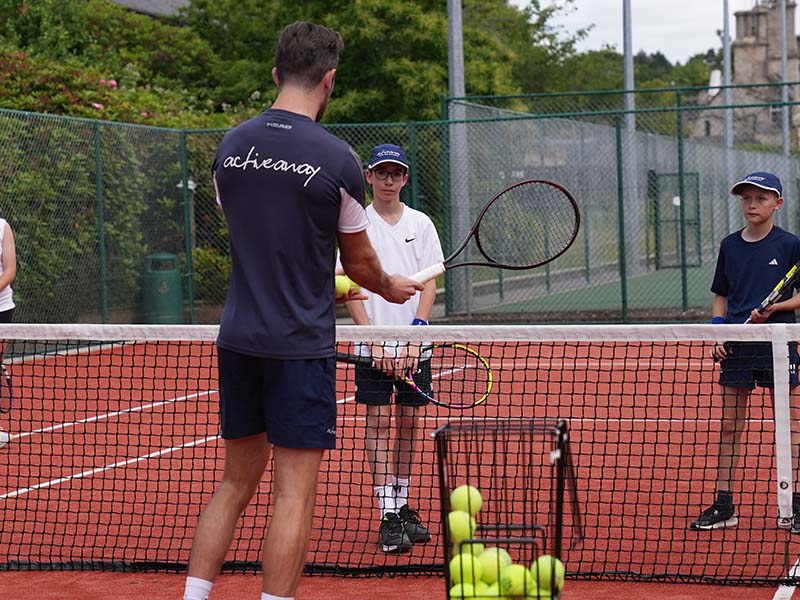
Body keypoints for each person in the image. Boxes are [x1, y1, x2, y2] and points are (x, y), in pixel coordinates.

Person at [182, 22, 423, 600]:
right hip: (298, 347)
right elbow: (362, 267)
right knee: (292, 493)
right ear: (330, 81)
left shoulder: (230, 147)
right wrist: (391, 288)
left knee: (233, 484)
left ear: (275, 73)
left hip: (238, 337)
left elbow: (259, 235)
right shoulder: (337, 160)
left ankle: (193, 595)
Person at [336, 143, 444, 553]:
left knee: (410, 425)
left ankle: (402, 503)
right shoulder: (354, 223)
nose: (388, 180)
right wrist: (373, 342)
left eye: (395, 173)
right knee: (379, 423)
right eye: (381, 173)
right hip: (372, 346)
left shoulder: (422, 224)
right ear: (369, 177)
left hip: (415, 346)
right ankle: (387, 512)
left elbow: (429, 282)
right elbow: (348, 285)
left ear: (404, 178)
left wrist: (416, 337)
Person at [690, 171, 800, 532]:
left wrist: (777, 309)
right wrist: (718, 332)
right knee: (729, 427)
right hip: (738, 343)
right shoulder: (729, 245)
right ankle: (724, 505)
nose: (752, 204)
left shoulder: (790, 245)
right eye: (746, 198)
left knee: (789, 426)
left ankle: (795, 503)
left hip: (779, 343)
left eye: (761, 198)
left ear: (777, 204)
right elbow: (720, 293)